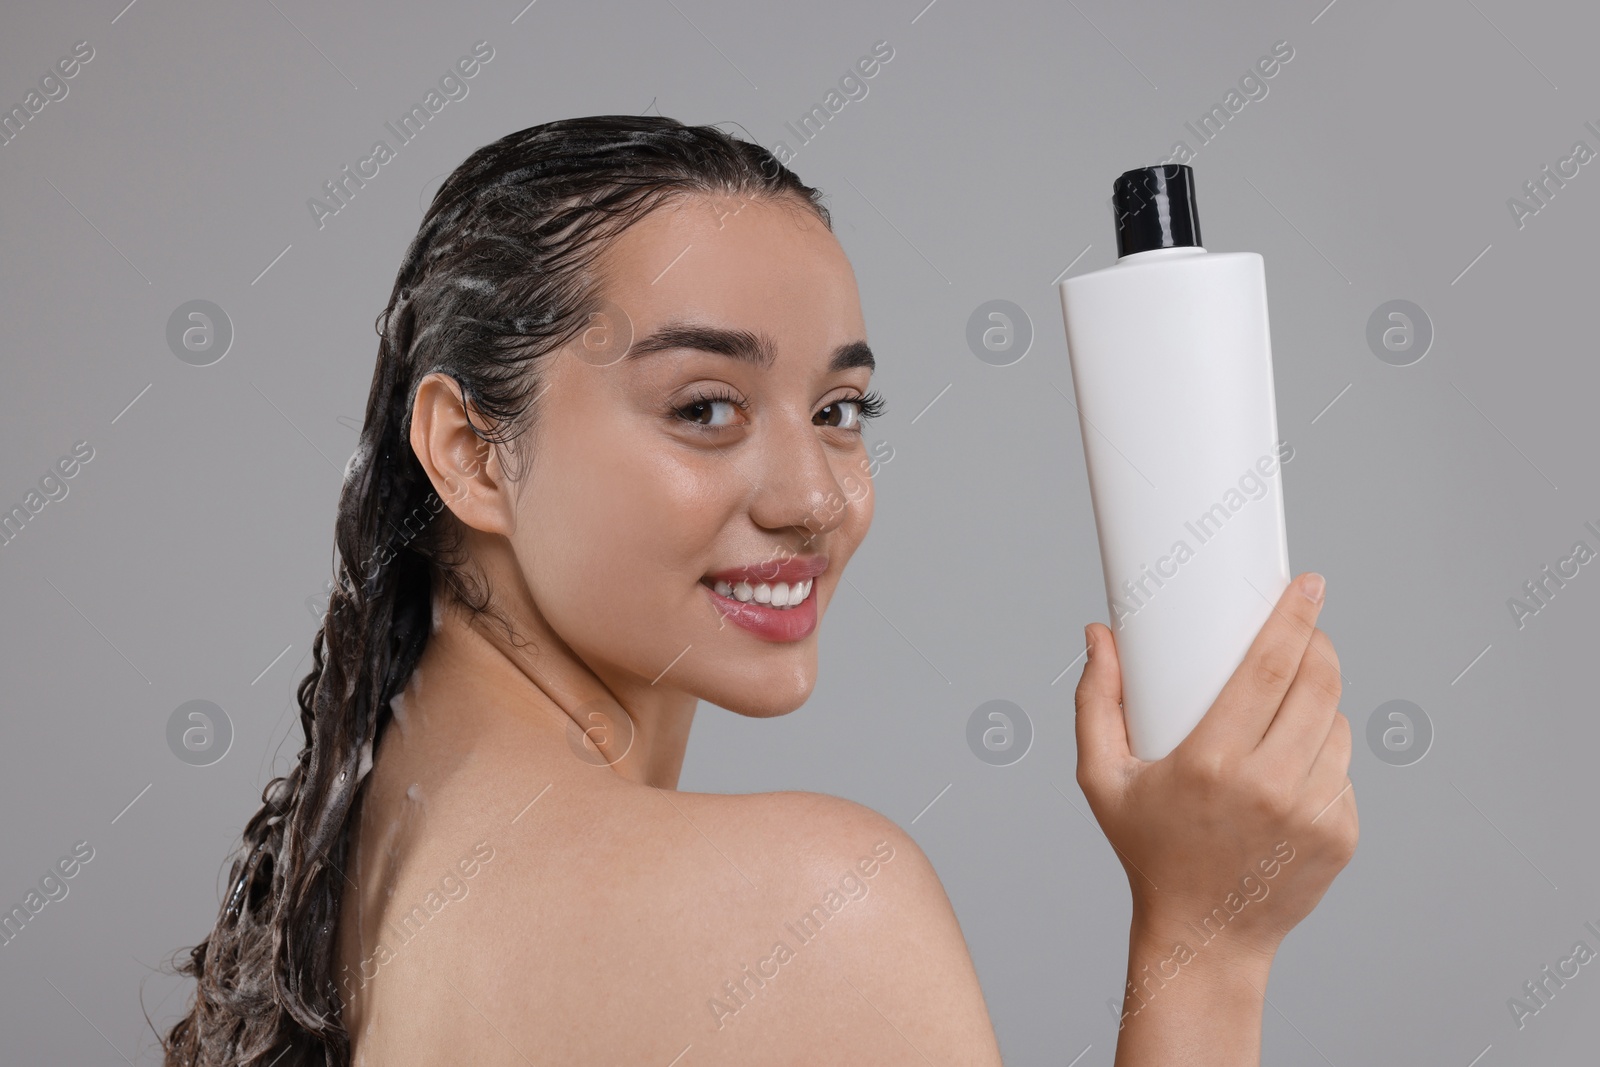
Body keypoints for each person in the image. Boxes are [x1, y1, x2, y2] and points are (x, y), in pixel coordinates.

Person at [159, 115, 1356, 1066]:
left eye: (839, 413)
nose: (813, 499)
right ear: (473, 452)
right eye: (705, 407)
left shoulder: (361, 859)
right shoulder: (806, 908)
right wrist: (1207, 940)